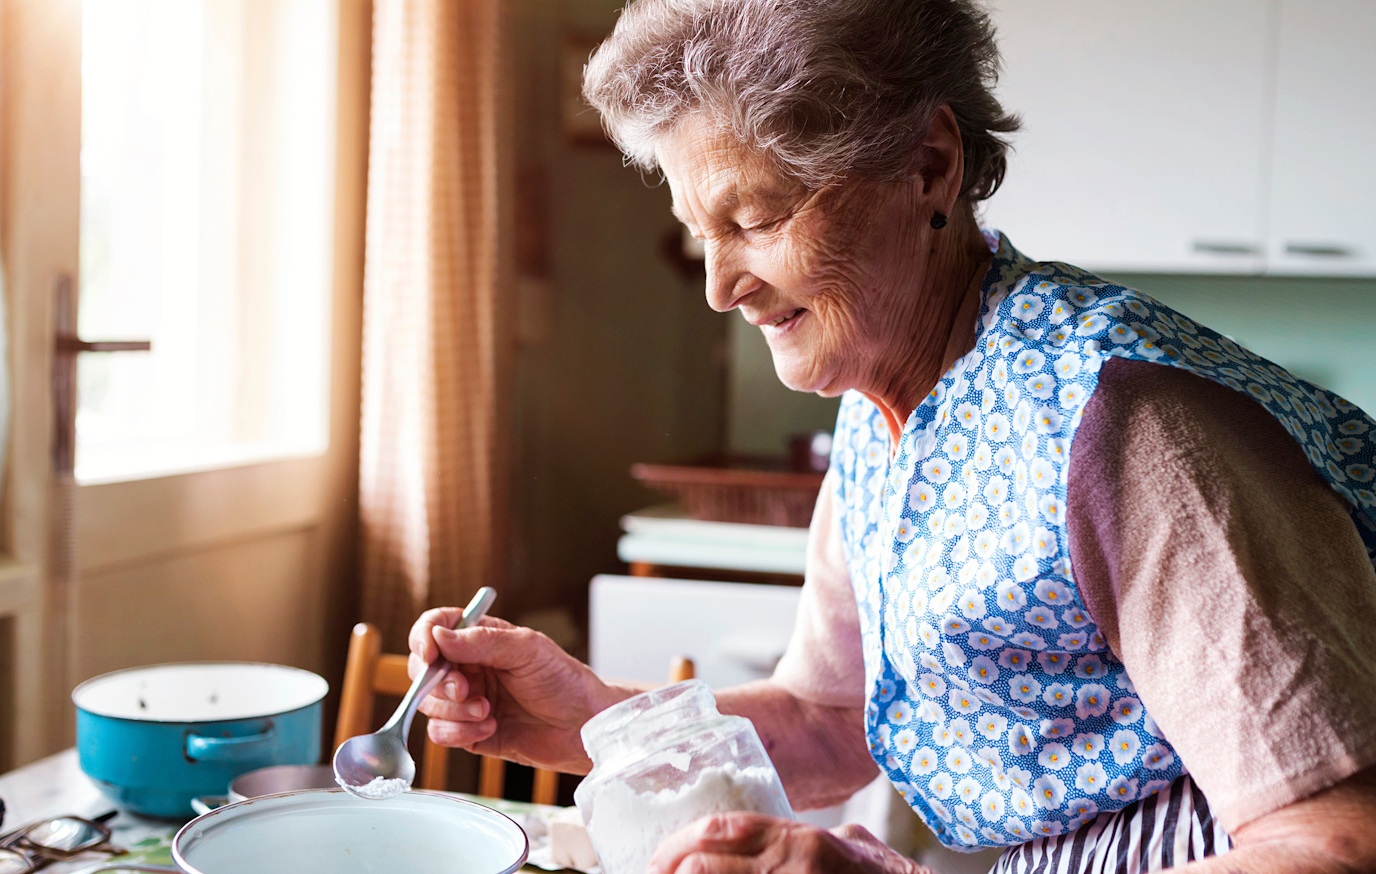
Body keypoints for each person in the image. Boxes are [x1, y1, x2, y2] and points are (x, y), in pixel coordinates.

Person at [409, 1, 1376, 871]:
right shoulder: (886, 406)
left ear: (929, 166)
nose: (719, 286)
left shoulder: (1126, 430)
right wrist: (592, 720)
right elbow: (833, 721)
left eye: (758, 216)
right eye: (703, 233)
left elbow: (1334, 844)